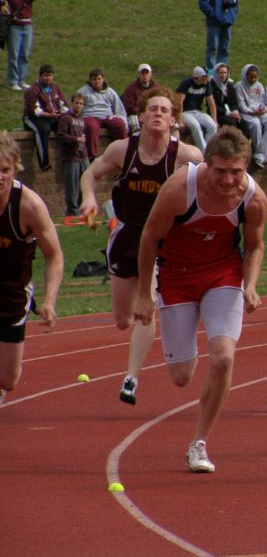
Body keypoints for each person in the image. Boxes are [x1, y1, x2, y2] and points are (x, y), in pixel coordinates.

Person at [133, 126, 267, 472]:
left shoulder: (253, 199)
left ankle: (199, 443)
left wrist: (250, 284)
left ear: (246, 167)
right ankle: (185, 335)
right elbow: (149, 238)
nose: (228, 179)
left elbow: (254, 246)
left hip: (223, 274)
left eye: (236, 171)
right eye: (220, 170)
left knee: (223, 360)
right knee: (181, 376)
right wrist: (144, 294)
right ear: (207, 164)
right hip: (177, 276)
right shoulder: (180, 188)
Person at [80, 87, 203, 406]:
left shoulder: (186, 156)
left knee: (146, 306)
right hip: (125, 236)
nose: (159, 114)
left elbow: (207, 187)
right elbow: (90, 174)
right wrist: (89, 197)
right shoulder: (124, 150)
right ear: (142, 117)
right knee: (123, 319)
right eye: (154, 109)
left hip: (161, 238)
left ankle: (131, 378)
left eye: (165, 110)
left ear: (174, 120)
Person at [0, 131, 63, 406]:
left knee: (8, 380)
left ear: (15, 169)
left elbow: (54, 255)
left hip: (12, 292)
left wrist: (49, 301)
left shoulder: (29, 206)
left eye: (4, 170)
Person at [1, 0, 43, 90]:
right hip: (15, 26)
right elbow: (1, 2)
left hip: (27, 26)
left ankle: (22, 80)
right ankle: (13, 81)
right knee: (14, 54)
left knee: (25, 54)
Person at [75, 68, 128, 162]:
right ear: (90, 80)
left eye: (99, 79)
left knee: (119, 124)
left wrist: (123, 121)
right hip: (90, 115)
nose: (97, 81)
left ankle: (123, 153)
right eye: (94, 79)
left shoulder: (110, 92)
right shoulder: (83, 92)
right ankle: (92, 157)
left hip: (107, 115)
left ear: (103, 79)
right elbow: (77, 106)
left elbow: (119, 108)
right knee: (91, 127)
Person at [22, 64, 68, 171]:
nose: (48, 78)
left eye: (50, 75)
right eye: (46, 75)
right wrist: (51, 115)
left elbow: (63, 104)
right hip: (33, 118)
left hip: (52, 117)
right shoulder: (32, 90)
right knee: (43, 129)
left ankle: (69, 157)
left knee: (66, 124)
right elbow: (36, 111)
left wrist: (62, 114)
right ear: (40, 76)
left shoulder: (55, 88)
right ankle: (44, 162)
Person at [198, 0, 239, 71]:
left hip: (227, 21)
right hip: (214, 21)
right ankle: (211, 71)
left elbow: (236, 0)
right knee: (213, 47)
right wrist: (213, 14)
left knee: (225, 47)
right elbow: (203, 2)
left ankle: (222, 71)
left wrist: (232, 14)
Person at [235, 63, 267, 168]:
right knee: (255, 124)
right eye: (251, 77)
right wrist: (251, 112)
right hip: (246, 113)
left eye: (255, 77)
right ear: (245, 76)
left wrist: (263, 109)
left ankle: (260, 154)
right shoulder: (238, 86)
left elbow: (263, 100)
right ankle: (259, 156)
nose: (253, 79)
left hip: (259, 112)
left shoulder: (259, 86)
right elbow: (241, 104)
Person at [57, 93, 88, 216]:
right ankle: (72, 212)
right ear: (71, 103)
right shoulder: (66, 118)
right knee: (72, 187)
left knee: (85, 184)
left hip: (83, 156)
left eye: (81, 104)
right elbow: (61, 135)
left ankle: (83, 209)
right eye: (76, 103)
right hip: (71, 157)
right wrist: (75, 139)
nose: (78, 106)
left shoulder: (81, 119)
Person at [176, 66, 218, 153]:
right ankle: (204, 153)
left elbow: (211, 102)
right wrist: (179, 120)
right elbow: (179, 102)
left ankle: (207, 150)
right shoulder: (186, 83)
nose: (206, 79)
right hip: (185, 112)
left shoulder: (206, 84)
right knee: (195, 126)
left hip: (198, 112)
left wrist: (215, 119)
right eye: (204, 77)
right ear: (197, 77)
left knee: (212, 125)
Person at [209, 62, 246, 135]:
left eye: (225, 73)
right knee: (232, 124)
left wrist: (235, 112)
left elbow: (233, 102)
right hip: (218, 114)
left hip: (230, 112)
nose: (223, 75)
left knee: (244, 125)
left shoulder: (229, 86)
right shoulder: (211, 86)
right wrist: (227, 113)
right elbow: (213, 105)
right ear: (216, 74)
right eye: (221, 73)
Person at [122, 64, 160, 134]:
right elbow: (129, 107)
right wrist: (142, 112)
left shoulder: (157, 88)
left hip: (153, 112)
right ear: (138, 74)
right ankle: (138, 143)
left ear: (150, 74)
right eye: (142, 73)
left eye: (147, 73)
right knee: (136, 127)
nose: (145, 75)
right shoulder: (131, 88)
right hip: (135, 114)